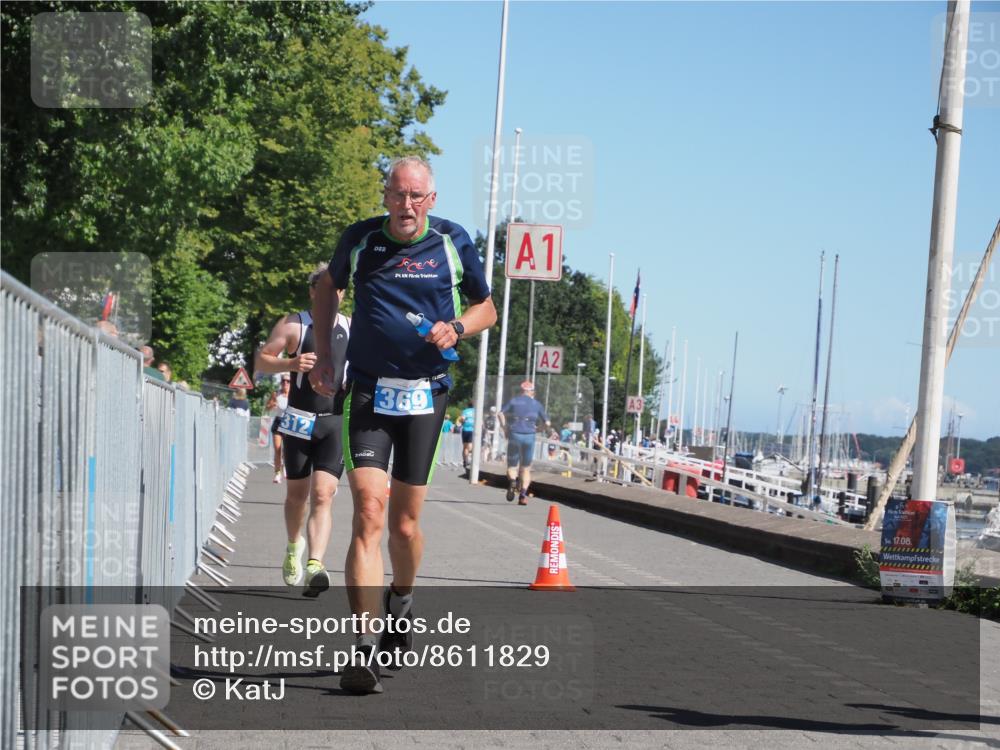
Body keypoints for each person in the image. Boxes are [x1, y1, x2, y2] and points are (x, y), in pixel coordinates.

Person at [310, 155, 496, 694]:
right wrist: (326, 356)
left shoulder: (452, 241)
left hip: (425, 395)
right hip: (367, 389)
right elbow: (328, 287)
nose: (407, 205)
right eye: (398, 194)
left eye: (417, 197)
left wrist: (457, 327)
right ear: (385, 195)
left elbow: (487, 308)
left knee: (404, 526)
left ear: (431, 200)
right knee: (368, 511)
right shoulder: (362, 239)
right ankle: (364, 650)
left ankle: (403, 599)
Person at [255, 265, 351, 597]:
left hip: (333, 422)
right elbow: (262, 360)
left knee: (323, 495)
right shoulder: (294, 325)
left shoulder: (352, 328)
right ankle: (293, 545)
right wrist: (291, 364)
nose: (332, 295)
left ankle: (315, 564)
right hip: (298, 420)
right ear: (313, 291)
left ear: (343, 294)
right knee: (297, 496)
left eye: (338, 290)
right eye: (324, 289)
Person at [499, 380, 551, 505]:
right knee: (526, 468)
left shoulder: (514, 401)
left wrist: (505, 427)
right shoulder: (537, 404)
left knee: (512, 466)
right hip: (529, 436)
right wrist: (539, 429)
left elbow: (500, 413)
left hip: (515, 434)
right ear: (532, 392)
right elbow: (548, 423)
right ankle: (522, 495)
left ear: (521, 391)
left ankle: (512, 481)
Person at [265, 376, 292, 483]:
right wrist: (272, 405)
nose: (285, 383)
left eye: (288, 381)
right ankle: (277, 473)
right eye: (283, 381)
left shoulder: (294, 394)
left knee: (287, 450)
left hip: (290, 423)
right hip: (278, 421)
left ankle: (285, 466)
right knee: (277, 449)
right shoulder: (276, 394)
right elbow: (267, 407)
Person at [457, 402, 475, 473]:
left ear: (468, 405)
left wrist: (463, 421)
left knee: (465, 447)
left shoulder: (465, 411)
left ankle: (465, 461)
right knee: (470, 446)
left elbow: (462, 419)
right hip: (473, 430)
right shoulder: (476, 411)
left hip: (465, 430)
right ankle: (469, 460)